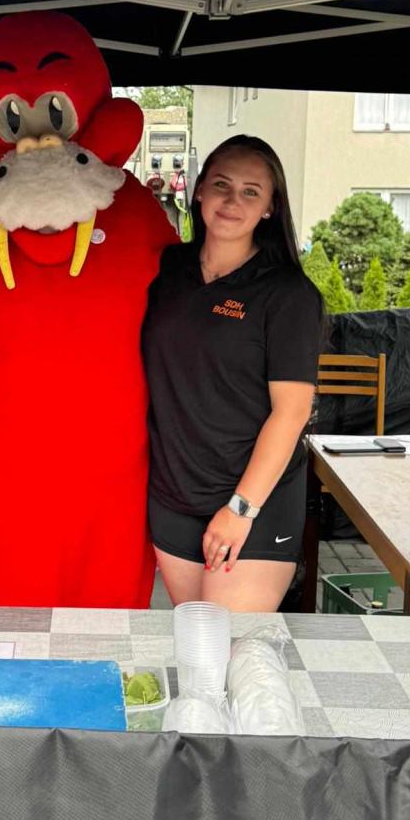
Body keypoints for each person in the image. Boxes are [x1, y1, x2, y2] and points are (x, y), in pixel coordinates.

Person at [142, 134, 323, 612]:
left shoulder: (288, 294)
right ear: (199, 188)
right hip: (174, 495)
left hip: (254, 502)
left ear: (269, 207)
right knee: (196, 643)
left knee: (235, 648)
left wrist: (241, 509)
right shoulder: (167, 269)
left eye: (250, 191)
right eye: (221, 184)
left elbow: (292, 412)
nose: (232, 201)